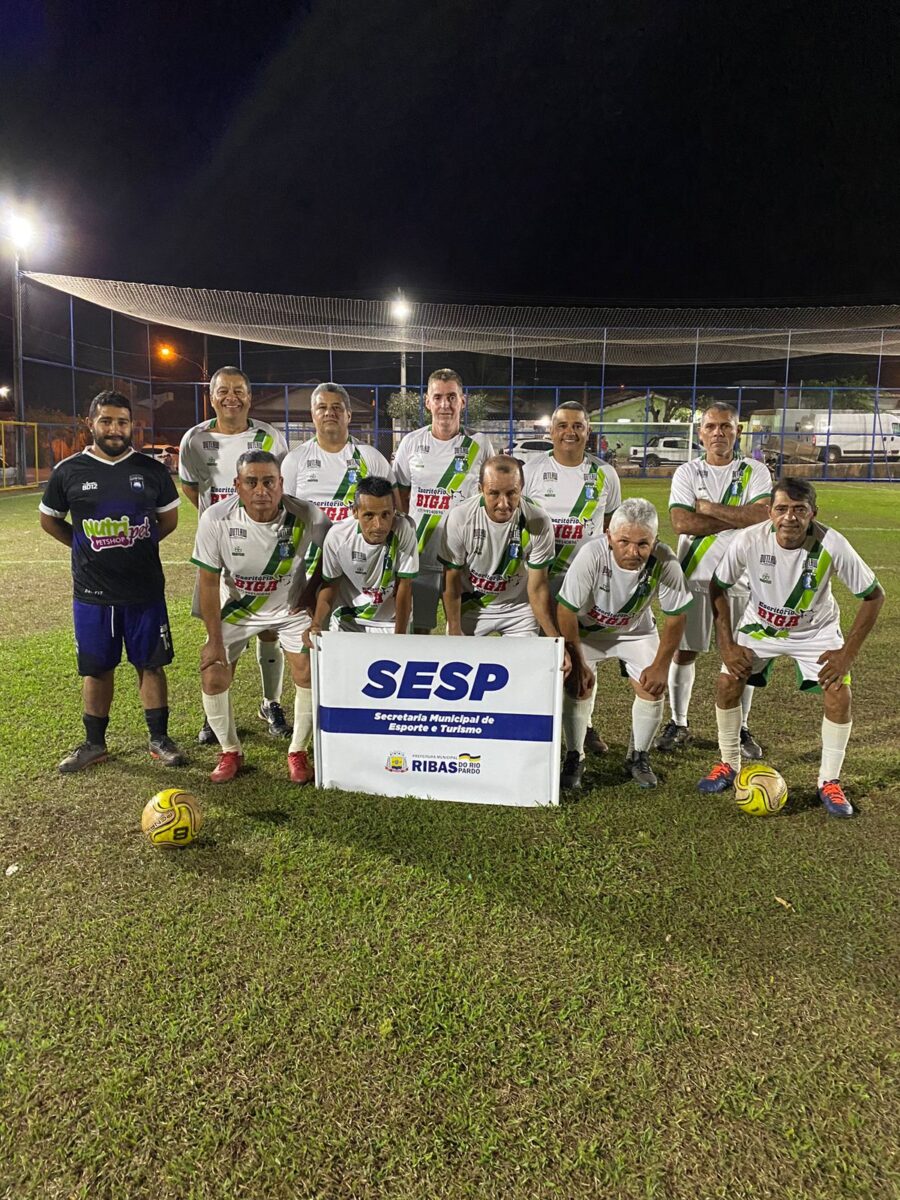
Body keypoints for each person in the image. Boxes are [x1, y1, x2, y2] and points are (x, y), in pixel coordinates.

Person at [698, 477, 884, 816]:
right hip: (761, 627)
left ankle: (829, 781)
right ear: (769, 512)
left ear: (813, 513)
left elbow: (874, 596)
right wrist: (726, 645)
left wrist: (846, 655)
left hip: (816, 631)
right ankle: (728, 764)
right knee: (727, 681)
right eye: (781, 509)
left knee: (838, 692)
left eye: (799, 510)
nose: (790, 518)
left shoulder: (833, 544)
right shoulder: (748, 540)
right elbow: (717, 586)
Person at [39, 390, 186, 773]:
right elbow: (49, 519)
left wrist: (136, 545)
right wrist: (81, 543)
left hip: (144, 590)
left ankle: (159, 740)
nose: (115, 428)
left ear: (130, 425)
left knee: (150, 665)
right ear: (91, 423)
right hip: (91, 592)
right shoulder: (68, 471)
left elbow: (168, 520)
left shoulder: (151, 470)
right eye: (106, 421)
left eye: (122, 421)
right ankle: (94, 743)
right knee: (96, 668)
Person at [190, 451, 328, 784]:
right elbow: (208, 582)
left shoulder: (307, 515)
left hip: (288, 608)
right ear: (237, 486)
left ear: (281, 484)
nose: (261, 490)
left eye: (269, 481)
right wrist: (214, 640)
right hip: (239, 609)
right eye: (251, 482)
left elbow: (331, 559)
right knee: (213, 673)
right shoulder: (215, 519)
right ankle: (230, 751)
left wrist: (309, 600)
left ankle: (298, 751)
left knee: (309, 669)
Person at [179, 366, 292, 743]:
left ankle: (270, 702)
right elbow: (191, 488)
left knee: (270, 629)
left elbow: (280, 486)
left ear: (250, 395)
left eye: (239, 390)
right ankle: (217, 714)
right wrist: (221, 521)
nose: (232, 397)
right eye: (223, 390)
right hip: (220, 551)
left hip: (265, 543)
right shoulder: (194, 438)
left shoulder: (269, 436)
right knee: (225, 631)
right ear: (211, 396)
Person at [656, 401, 772, 757]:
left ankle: (740, 727)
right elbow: (681, 522)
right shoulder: (687, 473)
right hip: (693, 575)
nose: (718, 432)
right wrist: (739, 518)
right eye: (711, 426)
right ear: (701, 433)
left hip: (743, 578)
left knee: (741, 656)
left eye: (726, 426)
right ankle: (679, 722)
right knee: (684, 651)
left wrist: (706, 508)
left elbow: (761, 516)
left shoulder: (755, 470)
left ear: (737, 431)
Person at [556, 498, 693, 791]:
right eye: (624, 541)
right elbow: (566, 610)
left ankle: (638, 756)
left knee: (653, 687)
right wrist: (578, 662)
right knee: (577, 685)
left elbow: (676, 617)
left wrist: (660, 666)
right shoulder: (591, 555)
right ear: (609, 536)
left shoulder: (665, 561)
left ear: (655, 540)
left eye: (643, 543)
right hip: (588, 632)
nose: (633, 551)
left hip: (635, 631)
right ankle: (574, 755)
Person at [523, 399, 621, 754]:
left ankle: (586, 727)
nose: (570, 432)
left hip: (586, 583)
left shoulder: (605, 474)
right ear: (551, 431)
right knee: (542, 653)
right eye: (562, 425)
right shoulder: (532, 470)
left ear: (588, 431)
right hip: (541, 578)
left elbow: (610, 525)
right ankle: (541, 724)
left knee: (585, 655)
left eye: (577, 425)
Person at [393, 368, 493, 633]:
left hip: (465, 559)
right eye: (438, 397)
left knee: (462, 632)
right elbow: (400, 496)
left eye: (451, 397)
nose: (444, 405)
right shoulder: (411, 443)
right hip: (420, 555)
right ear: (427, 402)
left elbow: (489, 497)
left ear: (463, 400)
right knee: (421, 630)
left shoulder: (480, 445)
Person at [440, 455, 563, 641]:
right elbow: (451, 583)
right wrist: (455, 631)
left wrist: (556, 641)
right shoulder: (460, 518)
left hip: (518, 610)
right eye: (494, 493)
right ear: (480, 489)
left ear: (521, 488)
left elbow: (538, 589)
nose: (503, 504)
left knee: (526, 666)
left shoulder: (538, 521)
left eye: (511, 493)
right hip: (472, 607)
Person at [307, 476, 418, 636]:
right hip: (348, 620)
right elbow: (330, 585)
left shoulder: (404, 529)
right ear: (355, 512)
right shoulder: (338, 537)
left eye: (386, 514)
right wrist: (316, 623)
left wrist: (399, 636)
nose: (379, 525)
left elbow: (404, 586)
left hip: (391, 622)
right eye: (369, 515)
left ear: (394, 510)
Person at [280, 382, 395, 524]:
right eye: (322, 407)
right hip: (311, 546)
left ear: (349, 415)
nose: (329, 413)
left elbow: (394, 512)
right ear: (312, 415)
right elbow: (286, 515)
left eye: (336, 407)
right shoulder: (294, 460)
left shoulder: (371, 457)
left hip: (355, 546)